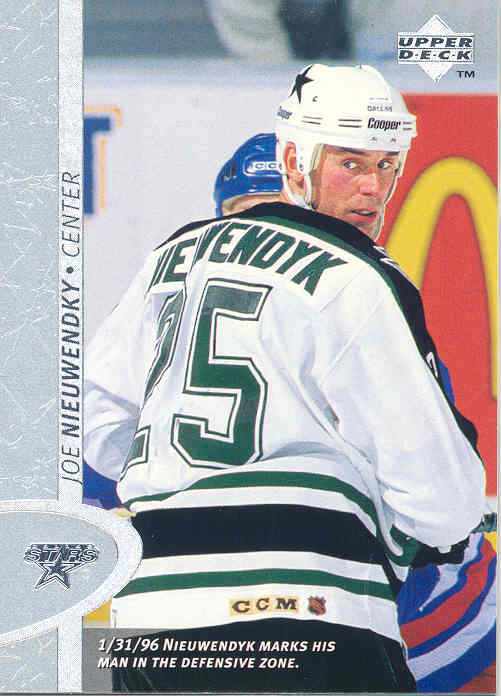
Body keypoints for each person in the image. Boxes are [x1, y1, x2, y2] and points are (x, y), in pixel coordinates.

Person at [84, 64, 486, 692]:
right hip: (308, 612)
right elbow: (441, 500)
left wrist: (181, 491)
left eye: (386, 166)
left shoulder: (168, 258)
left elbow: (99, 422)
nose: (372, 188)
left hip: (151, 622)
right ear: (296, 165)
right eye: (351, 163)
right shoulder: (358, 277)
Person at [213, 131, 497, 694]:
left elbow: (435, 496)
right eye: (246, 220)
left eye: (282, 216)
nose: (266, 236)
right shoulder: (179, 319)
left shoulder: (361, 308)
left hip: (427, 614)